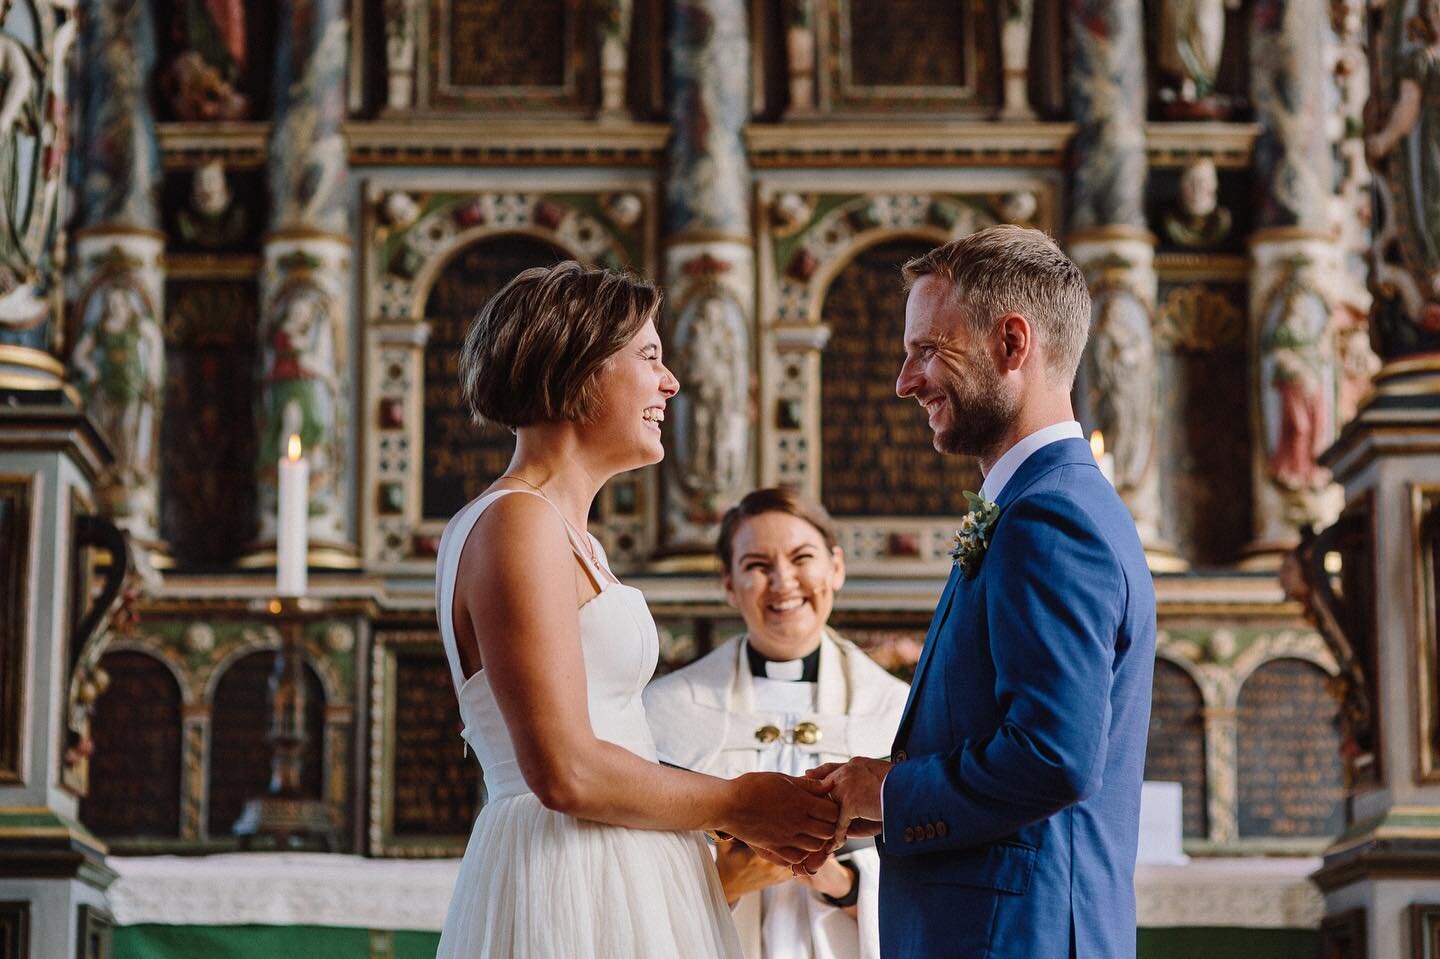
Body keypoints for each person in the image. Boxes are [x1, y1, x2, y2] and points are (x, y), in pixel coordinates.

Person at [434, 261, 837, 957]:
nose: (671, 381)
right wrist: (738, 800)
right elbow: (565, 770)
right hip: (568, 878)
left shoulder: (566, 533)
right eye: (649, 355)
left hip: (618, 863)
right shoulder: (516, 523)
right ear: (579, 365)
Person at [805, 226, 1157, 958]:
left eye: (928, 349)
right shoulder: (1043, 501)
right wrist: (868, 804)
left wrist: (891, 793)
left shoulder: (1053, 515)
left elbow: (1054, 754)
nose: (906, 381)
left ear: (1011, 343)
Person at [644, 488, 909, 959]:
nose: (783, 581)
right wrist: (722, 883)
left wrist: (845, 885)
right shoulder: (666, 713)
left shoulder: (898, 712)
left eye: (802, 557)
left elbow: (939, 880)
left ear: (836, 566)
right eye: (757, 566)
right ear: (729, 583)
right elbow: (629, 882)